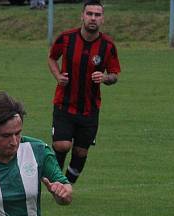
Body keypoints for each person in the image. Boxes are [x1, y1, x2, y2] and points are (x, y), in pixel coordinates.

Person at [47, 0, 120, 184]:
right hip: (64, 103)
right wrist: (57, 76)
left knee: (81, 151)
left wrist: (104, 78)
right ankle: (56, 183)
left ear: (102, 19)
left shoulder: (108, 46)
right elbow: (52, 58)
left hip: (89, 108)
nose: (93, 18)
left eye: (97, 15)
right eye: (89, 14)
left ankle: (68, 184)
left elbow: (114, 75)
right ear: (82, 16)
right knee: (62, 145)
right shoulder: (66, 38)